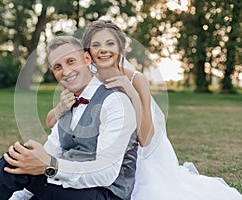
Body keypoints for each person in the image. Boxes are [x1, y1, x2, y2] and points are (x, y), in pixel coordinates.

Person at [12, 19, 242, 200]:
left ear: (121, 47)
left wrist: (131, 93)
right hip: (96, 152)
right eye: (96, 45)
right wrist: (61, 107)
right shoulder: (84, 77)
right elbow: (53, 122)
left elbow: (146, 138)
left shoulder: (136, 80)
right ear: (87, 52)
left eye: (110, 44)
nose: (104, 50)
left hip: (134, 159)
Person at [0, 36, 138, 200]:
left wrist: (51, 166)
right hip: (68, 184)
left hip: (103, 194)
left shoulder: (115, 102)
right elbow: (48, 152)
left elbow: (106, 174)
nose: (66, 72)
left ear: (87, 58)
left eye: (71, 61)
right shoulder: (68, 103)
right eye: (57, 67)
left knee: (20, 165)